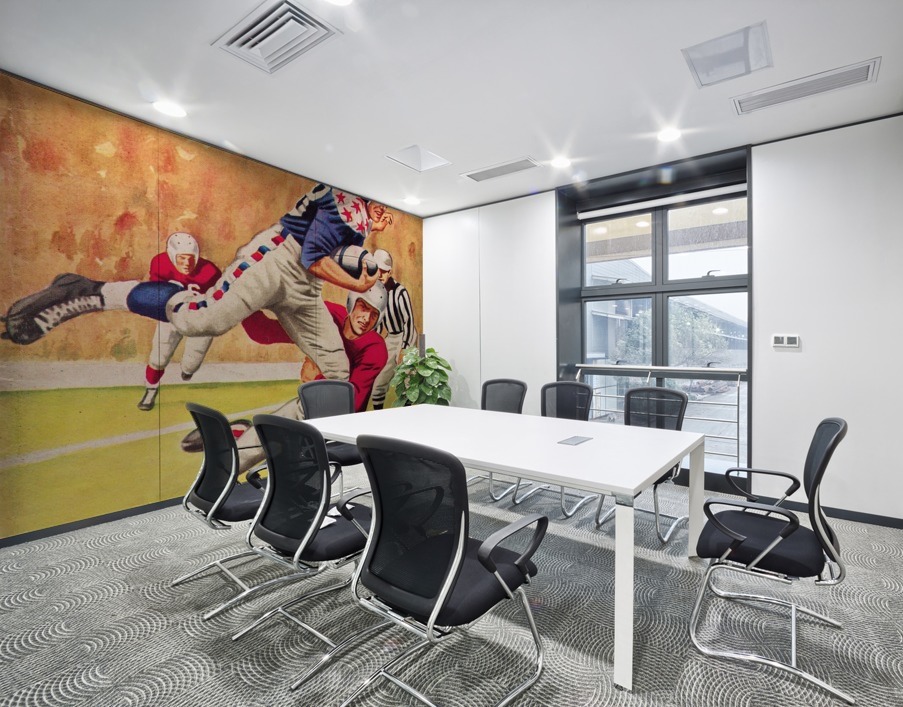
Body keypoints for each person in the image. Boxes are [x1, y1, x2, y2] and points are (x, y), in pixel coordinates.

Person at [2, 183, 394, 384]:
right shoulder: (346, 203)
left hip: (305, 286)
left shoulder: (351, 209)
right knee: (201, 320)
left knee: (336, 368)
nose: (384, 214)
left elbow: (325, 252)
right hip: (275, 262)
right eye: (379, 208)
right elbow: (314, 257)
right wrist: (359, 285)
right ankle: (90, 290)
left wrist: (365, 240)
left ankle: (300, 446)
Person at [234, 282, 388, 472]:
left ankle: (229, 465)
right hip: (314, 409)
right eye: (363, 307)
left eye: (374, 314)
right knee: (275, 429)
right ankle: (231, 462)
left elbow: (349, 403)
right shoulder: (328, 316)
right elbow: (264, 331)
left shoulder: (374, 348)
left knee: (281, 424)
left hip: (335, 420)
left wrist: (316, 380)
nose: (366, 318)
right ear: (352, 302)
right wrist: (247, 298)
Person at [138, 232, 222, 411]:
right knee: (158, 357)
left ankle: (187, 370)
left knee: (192, 362)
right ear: (171, 255)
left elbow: (218, 299)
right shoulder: (160, 264)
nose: (187, 263)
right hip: (172, 315)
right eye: (182, 258)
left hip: (199, 317)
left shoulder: (210, 271)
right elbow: (157, 294)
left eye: (191, 258)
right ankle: (151, 390)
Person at [369, 249, 418, 409]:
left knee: (407, 380)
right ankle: (378, 416)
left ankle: (408, 415)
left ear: (390, 272)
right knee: (379, 383)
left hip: (406, 336)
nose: (380, 275)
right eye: (377, 270)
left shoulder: (400, 292)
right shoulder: (376, 293)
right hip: (390, 337)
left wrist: (404, 349)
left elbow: (409, 322)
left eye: (383, 271)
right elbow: (378, 324)